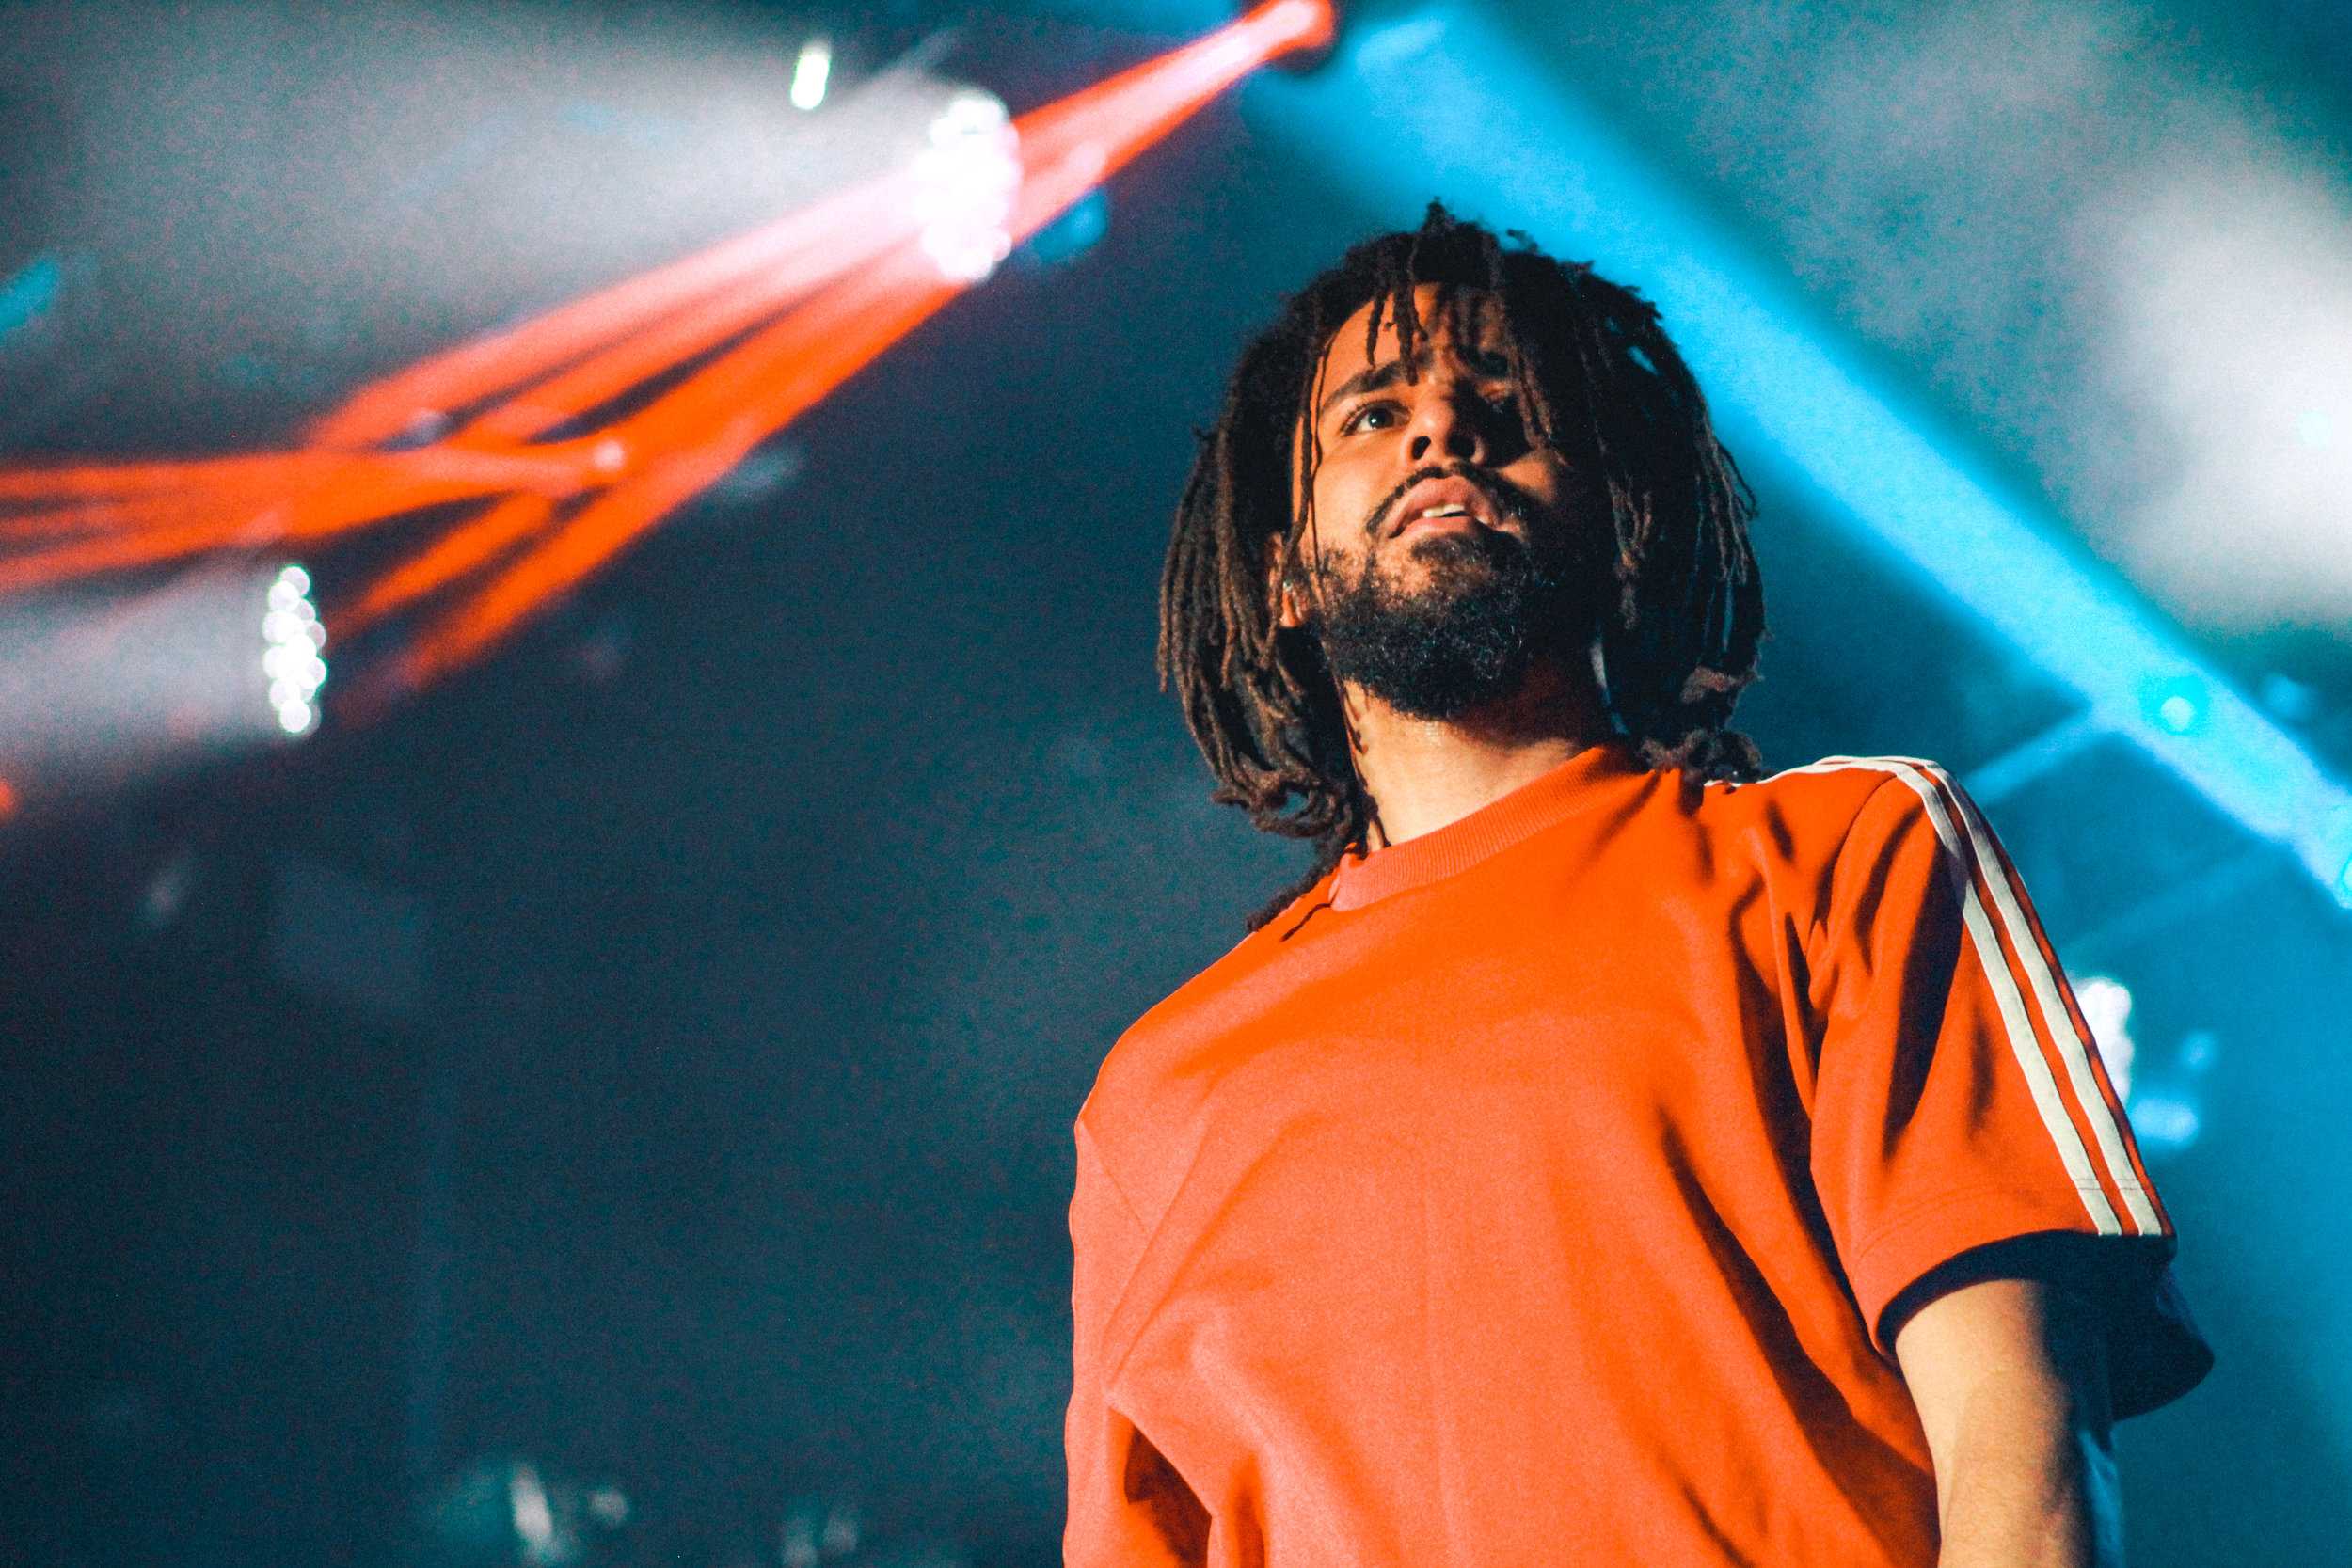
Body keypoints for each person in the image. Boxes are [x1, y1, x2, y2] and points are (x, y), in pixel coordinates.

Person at [1064, 204, 2211, 1566]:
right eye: (1374, 414)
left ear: (1619, 516)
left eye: (1508, 404)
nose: (1445, 430)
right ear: (1283, 577)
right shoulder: (1159, 1096)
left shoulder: (1848, 854)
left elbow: (2017, 1435)